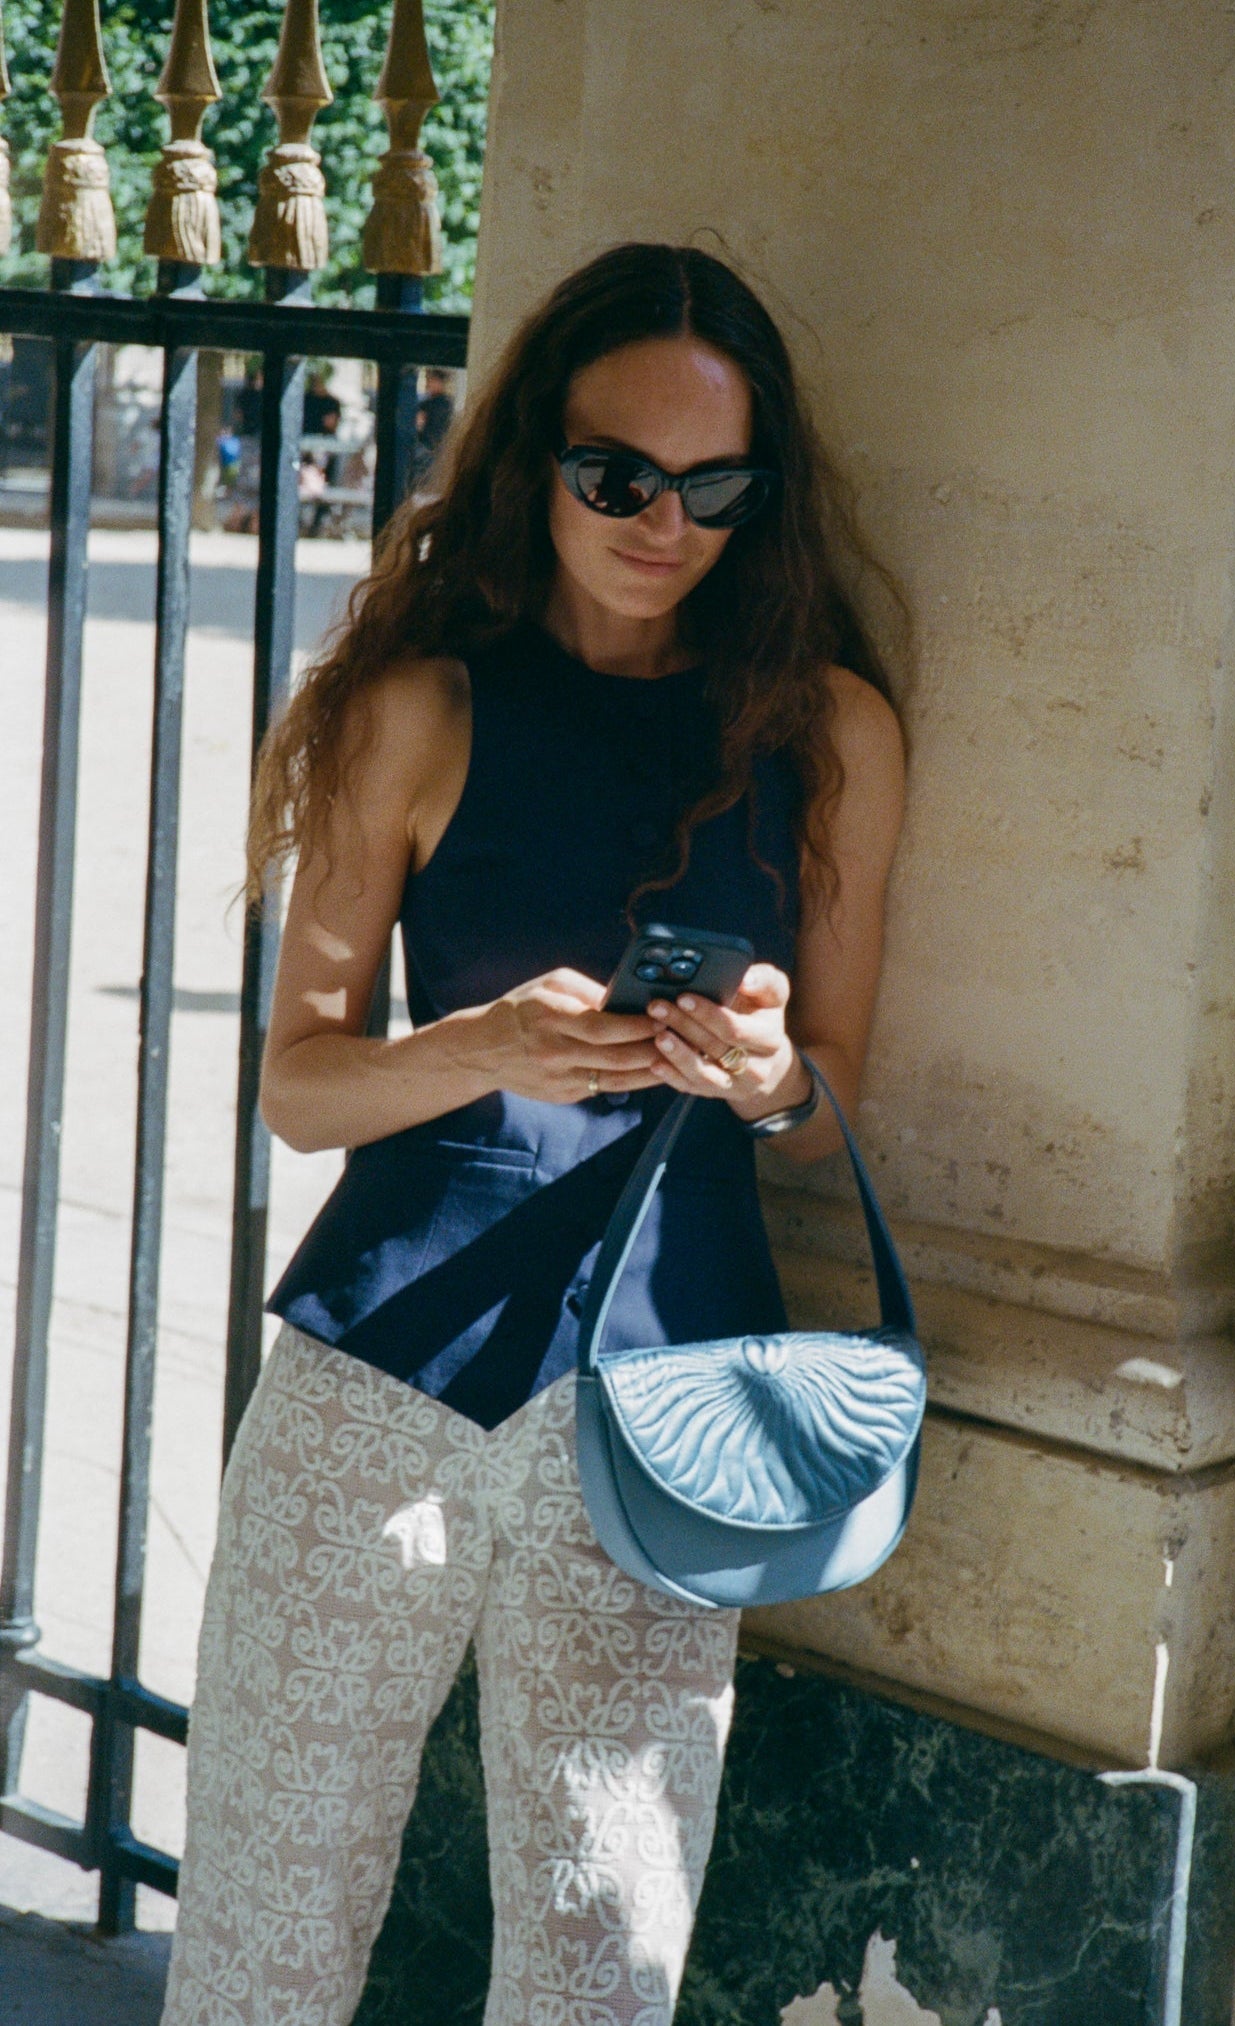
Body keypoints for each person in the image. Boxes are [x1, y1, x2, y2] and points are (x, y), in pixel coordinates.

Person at [159, 242, 907, 2026]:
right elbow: (299, 1084)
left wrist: (763, 1074)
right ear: (533, 463)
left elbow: (829, 1106)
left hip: (664, 1419)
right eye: (616, 476)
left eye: (714, 487)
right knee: (267, 1933)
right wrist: (482, 1045)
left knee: (603, 1967)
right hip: (379, 1385)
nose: (665, 522)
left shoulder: (828, 731)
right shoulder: (421, 707)